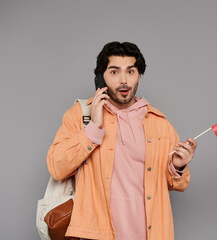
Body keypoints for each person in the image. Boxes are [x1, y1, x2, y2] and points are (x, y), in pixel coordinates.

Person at [47, 41, 197, 240]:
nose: (123, 81)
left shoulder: (159, 122)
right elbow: (57, 167)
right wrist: (93, 128)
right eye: (114, 72)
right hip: (98, 234)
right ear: (102, 76)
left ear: (139, 76)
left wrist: (177, 167)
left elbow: (177, 183)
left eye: (131, 72)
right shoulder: (81, 115)